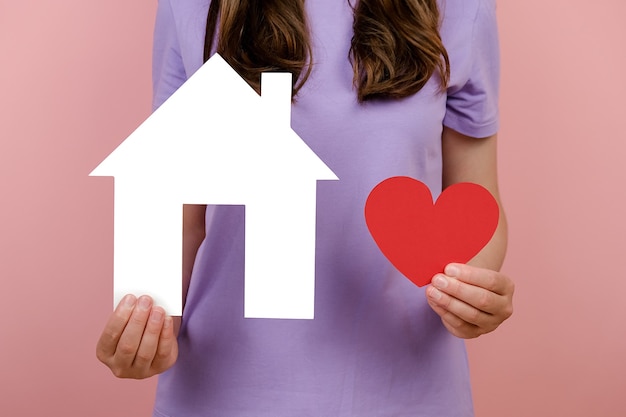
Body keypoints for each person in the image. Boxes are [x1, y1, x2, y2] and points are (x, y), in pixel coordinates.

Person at [96, 0, 515, 415]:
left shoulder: (462, 8)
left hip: (407, 387)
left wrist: (472, 290)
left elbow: (476, 193)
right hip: (226, 389)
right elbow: (180, 213)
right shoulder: (190, 7)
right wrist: (149, 329)